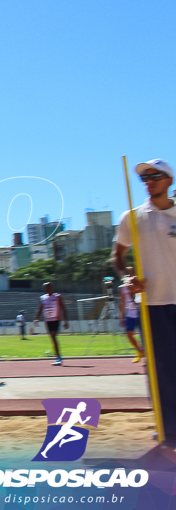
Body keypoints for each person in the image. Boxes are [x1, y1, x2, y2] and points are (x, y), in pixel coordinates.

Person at [113, 158, 176, 445]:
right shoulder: (132, 217)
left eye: (155, 176)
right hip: (153, 304)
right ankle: (168, 427)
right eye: (145, 178)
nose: (149, 181)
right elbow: (118, 256)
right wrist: (128, 276)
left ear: (169, 180)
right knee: (161, 369)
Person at [34, 282, 69, 366]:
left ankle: (59, 357)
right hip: (48, 320)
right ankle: (58, 356)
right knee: (53, 338)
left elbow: (63, 308)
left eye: (48, 287)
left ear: (51, 287)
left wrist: (66, 321)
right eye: (45, 288)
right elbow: (40, 308)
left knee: (53, 336)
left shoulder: (57, 297)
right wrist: (37, 318)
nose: (46, 289)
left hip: (56, 319)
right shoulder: (43, 298)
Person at [118, 277, 145, 363]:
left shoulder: (139, 287)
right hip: (130, 314)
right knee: (129, 334)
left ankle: (148, 355)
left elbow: (142, 289)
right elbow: (122, 303)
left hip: (140, 314)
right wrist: (121, 317)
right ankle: (140, 351)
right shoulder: (123, 289)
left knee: (144, 335)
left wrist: (136, 287)